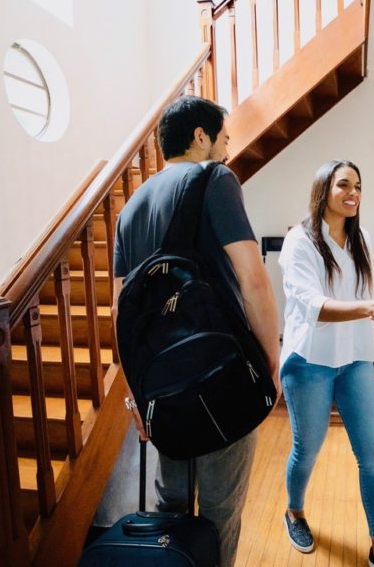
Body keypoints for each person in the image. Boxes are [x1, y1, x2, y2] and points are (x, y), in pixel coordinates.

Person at [110, 95, 280, 567]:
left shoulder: (130, 209)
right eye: (224, 139)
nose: (226, 150)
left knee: (171, 508)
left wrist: (137, 396)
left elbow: (123, 313)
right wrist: (271, 359)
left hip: (161, 386)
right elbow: (253, 277)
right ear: (200, 136)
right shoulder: (214, 178)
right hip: (221, 373)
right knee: (222, 509)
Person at [277, 160, 374, 567]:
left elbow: (368, 292)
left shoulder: (360, 237)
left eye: (358, 186)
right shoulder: (300, 241)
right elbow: (315, 307)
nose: (353, 193)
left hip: (355, 361)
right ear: (323, 190)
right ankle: (294, 512)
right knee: (307, 449)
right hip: (308, 361)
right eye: (343, 184)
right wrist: (373, 307)